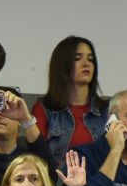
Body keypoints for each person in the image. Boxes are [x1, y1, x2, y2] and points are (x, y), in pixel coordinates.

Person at [32, 37, 109, 167]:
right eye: (77, 58)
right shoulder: (44, 109)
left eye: (90, 59)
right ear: (63, 64)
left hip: (99, 184)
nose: (87, 64)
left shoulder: (107, 110)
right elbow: (38, 160)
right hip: (58, 184)